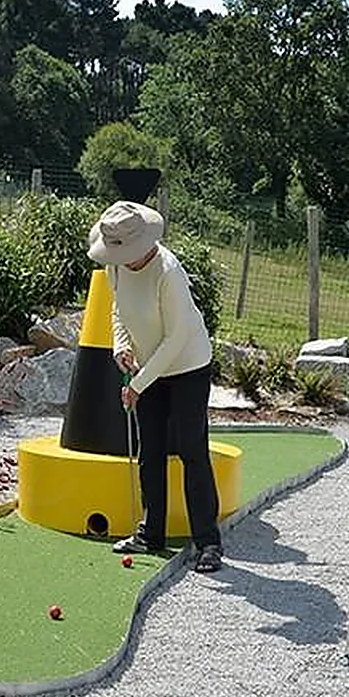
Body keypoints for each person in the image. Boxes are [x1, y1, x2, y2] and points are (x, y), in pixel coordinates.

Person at [88, 200, 225, 573]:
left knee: (191, 449)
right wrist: (122, 346)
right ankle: (152, 533)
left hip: (187, 365)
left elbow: (178, 335)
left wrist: (138, 384)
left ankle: (207, 542)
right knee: (150, 449)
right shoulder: (115, 264)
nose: (121, 257)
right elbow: (119, 309)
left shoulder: (168, 270)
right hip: (148, 366)